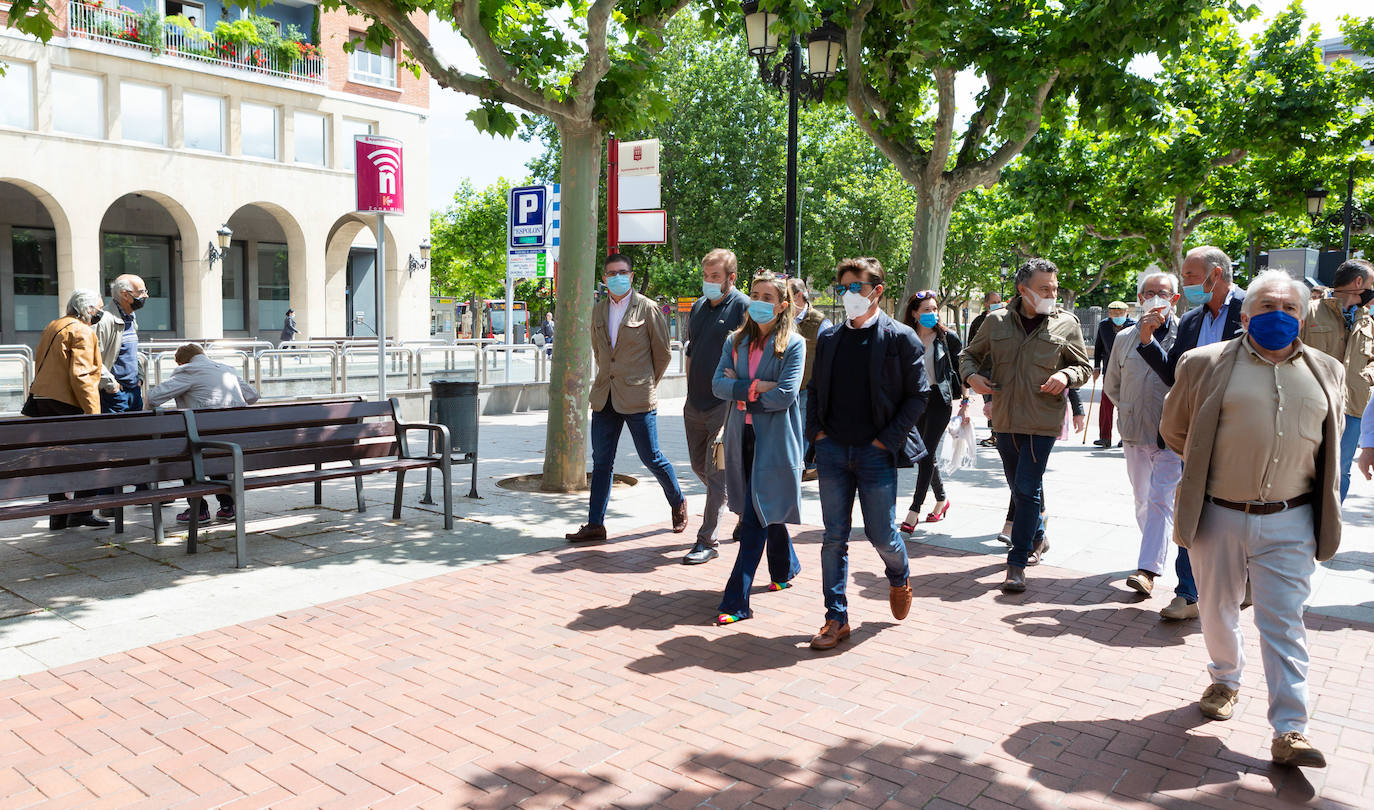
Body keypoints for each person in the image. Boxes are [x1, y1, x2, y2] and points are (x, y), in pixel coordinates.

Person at [1160, 269, 1345, 769]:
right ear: (1245, 315)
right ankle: (1225, 679)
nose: (1278, 315)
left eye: (1289, 308)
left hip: (1291, 519)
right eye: (1267, 306)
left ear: (1302, 318)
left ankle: (1290, 728)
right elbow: (1175, 429)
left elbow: (1330, 442)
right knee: (1216, 608)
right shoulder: (1203, 363)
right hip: (1218, 514)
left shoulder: (1327, 370)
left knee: (1283, 621)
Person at [805, 257, 925, 651]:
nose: (849, 295)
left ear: (877, 290)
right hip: (833, 451)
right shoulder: (829, 338)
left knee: (882, 534)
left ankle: (899, 575)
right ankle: (836, 618)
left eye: (857, 287)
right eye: (843, 288)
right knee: (833, 538)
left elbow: (918, 395)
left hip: (876, 453)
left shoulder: (901, 338)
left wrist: (885, 441)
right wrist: (817, 435)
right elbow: (815, 390)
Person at [960, 258, 1091, 593]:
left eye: (1054, 288)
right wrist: (972, 377)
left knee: (1028, 487)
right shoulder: (995, 321)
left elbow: (1083, 367)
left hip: (1042, 421)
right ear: (1023, 289)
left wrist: (1066, 375)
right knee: (1018, 488)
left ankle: (1016, 563)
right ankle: (1038, 536)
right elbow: (968, 356)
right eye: (1044, 289)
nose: (1052, 294)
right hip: (1004, 419)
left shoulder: (1067, 323)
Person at [1135, 245, 1246, 621]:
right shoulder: (1192, 320)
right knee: (1190, 506)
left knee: (1233, 511)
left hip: (1240, 430)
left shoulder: (1252, 309)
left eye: (1191, 277)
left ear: (1216, 275)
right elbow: (1174, 375)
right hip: (1196, 429)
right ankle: (1188, 593)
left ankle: (1238, 583)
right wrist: (1148, 341)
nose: (1185, 284)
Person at [566, 254, 687, 542]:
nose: (617, 277)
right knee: (602, 462)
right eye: (611, 273)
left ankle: (677, 501)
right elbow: (600, 352)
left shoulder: (647, 308)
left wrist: (645, 383)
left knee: (651, 456)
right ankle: (595, 524)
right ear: (604, 278)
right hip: (604, 396)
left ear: (631, 276)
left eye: (622, 272)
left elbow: (663, 354)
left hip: (638, 397)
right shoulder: (598, 310)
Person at [712, 272, 804, 624]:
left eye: (768, 297)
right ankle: (785, 566)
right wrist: (757, 387)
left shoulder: (793, 344)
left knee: (753, 518)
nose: (759, 302)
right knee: (762, 506)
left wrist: (741, 389)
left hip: (775, 440)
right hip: (741, 437)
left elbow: (785, 395)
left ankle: (736, 601)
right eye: (755, 294)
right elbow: (718, 385)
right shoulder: (734, 341)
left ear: (782, 306)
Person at [1104, 270, 1185, 599]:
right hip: (1135, 433)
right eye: (1149, 293)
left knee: (1160, 501)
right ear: (1139, 299)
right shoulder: (1125, 337)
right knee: (1143, 501)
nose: (1155, 299)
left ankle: (1147, 569)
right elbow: (1112, 385)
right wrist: (1129, 409)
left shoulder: (1185, 334)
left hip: (1171, 437)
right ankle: (1153, 549)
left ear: (1174, 299)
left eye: (1163, 293)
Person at [680, 249, 749, 565]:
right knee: (699, 466)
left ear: (731, 278)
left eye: (715, 277)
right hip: (695, 403)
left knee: (716, 474)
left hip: (725, 405)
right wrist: (688, 392)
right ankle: (744, 505)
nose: (708, 281)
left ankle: (707, 540)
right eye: (706, 276)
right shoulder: (697, 307)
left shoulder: (743, 307)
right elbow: (692, 351)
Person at [146, 344, 261, 523]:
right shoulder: (227, 370)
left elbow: (153, 398)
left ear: (181, 362)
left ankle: (198, 510)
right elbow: (253, 396)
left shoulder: (188, 371)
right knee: (211, 450)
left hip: (205, 443)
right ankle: (228, 506)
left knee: (186, 452)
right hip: (234, 443)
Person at [24, 290, 106, 529]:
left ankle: (58, 514)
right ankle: (82, 511)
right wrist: (94, 413)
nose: (100, 313)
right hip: (66, 400)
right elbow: (81, 375)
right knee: (91, 455)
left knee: (56, 457)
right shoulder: (82, 330)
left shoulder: (55, 325)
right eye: (99, 309)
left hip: (43, 398)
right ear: (88, 309)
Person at [1300, 259, 1372, 502]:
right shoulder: (1309, 311)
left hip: (1353, 408)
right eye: (1372, 283)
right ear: (1359, 282)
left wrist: (1366, 377)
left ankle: (1332, 522)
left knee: (1341, 470)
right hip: (1314, 405)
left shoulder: (1366, 320)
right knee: (1308, 465)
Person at [899, 290, 966, 532]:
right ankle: (941, 500)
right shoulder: (905, 337)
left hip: (940, 400)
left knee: (926, 454)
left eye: (935, 309)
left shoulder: (948, 338)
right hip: (915, 401)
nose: (932, 313)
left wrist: (965, 403)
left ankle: (914, 510)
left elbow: (962, 370)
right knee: (926, 455)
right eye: (926, 310)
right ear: (914, 313)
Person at [788, 277, 831, 482]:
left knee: (800, 432)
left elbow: (829, 358)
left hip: (807, 388)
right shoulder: (781, 319)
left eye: (786, 295)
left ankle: (795, 471)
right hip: (784, 387)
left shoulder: (821, 322)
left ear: (799, 296)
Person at [95, 274, 148, 415]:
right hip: (113, 395)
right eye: (141, 292)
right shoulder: (104, 320)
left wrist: (139, 378)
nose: (146, 296)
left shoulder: (131, 317)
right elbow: (94, 359)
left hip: (133, 391)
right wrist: (111, 386)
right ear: (125, 295)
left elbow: (132, 352)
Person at [1092, 301, 1134, 447]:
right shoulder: (1104, 325)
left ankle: (1125, 436)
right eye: (1113, 313)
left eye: (1119, 313)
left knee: (1127, 403)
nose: (1116, 316)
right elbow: (1098, 347)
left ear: (1126, 313)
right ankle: (1105, 437)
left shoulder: (1134, 326)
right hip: (1109, 368)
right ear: (1109, 313)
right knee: (1106, 402)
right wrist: (1096, 366)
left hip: (1129, 369)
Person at [967, 291, 1004, 448]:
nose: (997, 304)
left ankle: (999, 433)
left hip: (1001, 367)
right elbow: (971, 345)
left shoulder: (1005, 319)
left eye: (999, 301)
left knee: (999, 401)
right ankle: (994, 434)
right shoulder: (978, 322)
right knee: (989, 401)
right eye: (993, 302)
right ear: (986, 304)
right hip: (984, 368)